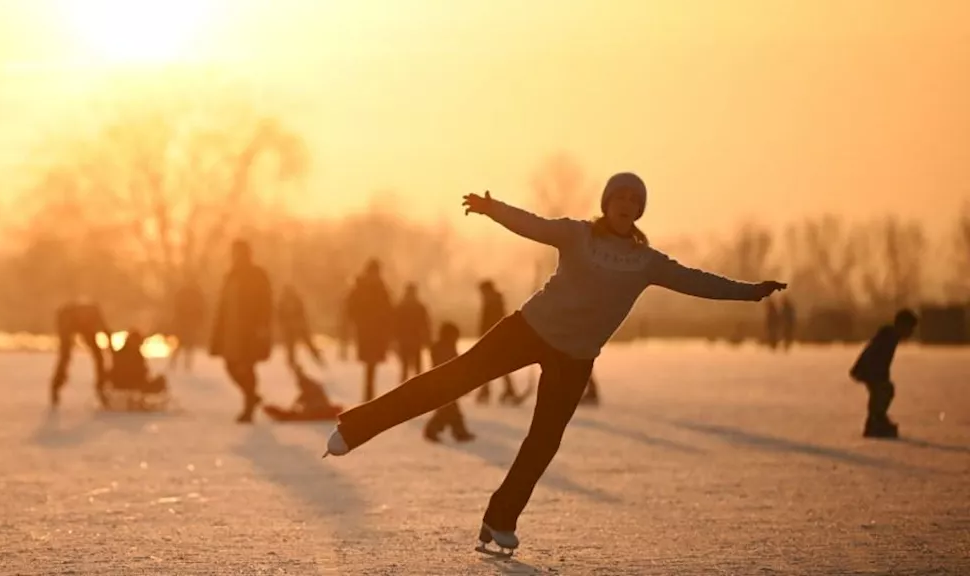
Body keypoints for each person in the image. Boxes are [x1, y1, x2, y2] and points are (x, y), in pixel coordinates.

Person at [323, 173, 786, 555]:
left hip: (576, 357)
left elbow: (698, 282)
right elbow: (533, 225)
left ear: (639, 210)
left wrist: (749, 291)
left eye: (633, 199)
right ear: (605, 204)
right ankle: (355, 428)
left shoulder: (647, 262)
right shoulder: (576, 234)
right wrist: (492, 208)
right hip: (528, 329)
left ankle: (500, 521)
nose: (625, 203)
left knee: (543, 441)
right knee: (451, 380)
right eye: (618, 196)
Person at [210, 240, 274, 423]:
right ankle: (251, 396)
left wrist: (262, 325)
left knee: (247, 366)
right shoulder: (230, 275)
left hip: (249, 330)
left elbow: (265, 302)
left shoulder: (257, 275)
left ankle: (248, 407)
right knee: (231, 366)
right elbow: (223, 305)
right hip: (231, 331)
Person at [849, 309, 917, 439]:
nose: (911, 332)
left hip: (871, 371)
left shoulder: (891, 336)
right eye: (910, 328)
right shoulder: (888, 336)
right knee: (882, 391)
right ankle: (875, 422)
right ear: (902, 325)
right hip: (867, 370)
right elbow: (875, 356)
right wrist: (877, 375)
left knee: (883, 391)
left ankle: (877, 420)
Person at [345, 259, 395, 402]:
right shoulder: (369, 287)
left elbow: (388, 310)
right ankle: (368, 396)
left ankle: (369, 395)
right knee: (370, 363)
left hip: (374, 331)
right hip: (368, 331)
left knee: (371, 364)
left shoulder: (372, 287)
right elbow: (351, 308)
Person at [473, 279, 524, 405]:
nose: (482, 295)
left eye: (483, 292)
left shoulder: (494, 303)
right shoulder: (493, 302)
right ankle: (504, 390)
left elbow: (493, 323)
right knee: (495, 365)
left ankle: (490, 390)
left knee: (492, 365)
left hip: (495, 339)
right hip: (492, 338)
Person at [52, 300, 111, 408]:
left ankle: (100, 387)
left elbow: (107, 333)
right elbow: (106, 332)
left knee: (98, 356)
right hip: (67, 320)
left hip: (82, 323)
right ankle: (56, 386)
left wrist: (115, 354)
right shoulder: (67, 315)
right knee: (65, 356)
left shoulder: (94, 316)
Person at [422, 321, 474, 443]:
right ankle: (434, 430)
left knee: (450, 410)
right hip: (443, 385)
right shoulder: (443, 348)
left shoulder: (444, 347)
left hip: (446, 384)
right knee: (448, 410)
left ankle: (458, 432)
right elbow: (451, 365)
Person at [106, 329, 168, 407]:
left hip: (121, 383)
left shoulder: (121, 353)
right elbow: (138, 371)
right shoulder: (134, 355)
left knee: (159, 380)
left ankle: (139, 401)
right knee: (159, 381)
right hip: (132, 383)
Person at [262, 363, 343, 421]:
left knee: (300, 416)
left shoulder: (307, 383)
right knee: (299, 414)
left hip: (317, 408)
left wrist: (298, 404)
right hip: (315, 406)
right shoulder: (306, 382)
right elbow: (304, 396)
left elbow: (307, 395)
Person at [277, 285, 324, 369]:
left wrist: (283, 325)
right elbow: (301, 312)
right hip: (297, 326)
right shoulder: (294, 300)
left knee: (293, 346)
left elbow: (280, 315)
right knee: (304, 344)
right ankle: (317, 357)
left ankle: (292, 362)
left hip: (292, 326)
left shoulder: (284, 301)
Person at [394, 283, 432, 383]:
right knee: (416, 368)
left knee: (405, 368)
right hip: (415, 340)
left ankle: (402, 390)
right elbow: (425, 324)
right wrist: (427, 339)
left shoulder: (401, 307)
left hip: (405, 341)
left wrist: (395, 339)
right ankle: (418, 389)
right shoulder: (419, 307)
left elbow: (395, 324)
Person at [168, 276, 206, 372]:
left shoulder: (187, 293)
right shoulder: (194, 294)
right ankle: (183, 365)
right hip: (187, 324)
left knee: (184, 346)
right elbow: (200, 310)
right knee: (185, 346)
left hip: (186, 324)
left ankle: (180, 365)